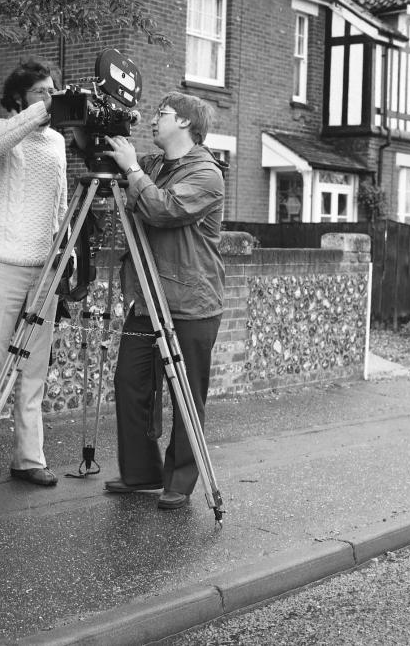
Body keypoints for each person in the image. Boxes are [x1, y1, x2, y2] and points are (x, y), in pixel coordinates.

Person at [102, 91, 228, 510]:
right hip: (147, 297)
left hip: (191, 303)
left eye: (163, 114)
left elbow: (164, 209)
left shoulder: (207, 174)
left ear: (187, 124)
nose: (154, 120)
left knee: (186, 394)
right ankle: (141, 473)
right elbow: (128, 189)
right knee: (130, 381)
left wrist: (133, 169)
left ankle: (180, 479)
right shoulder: (156, 165)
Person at [0, 57, 67, 493]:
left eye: (52, 91)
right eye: (40, 90)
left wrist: (65, 253)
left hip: (44, 269)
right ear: (20, 98)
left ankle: (29, 459)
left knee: (34, 371)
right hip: (2, 263)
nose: (49, 97)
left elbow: (60, 203)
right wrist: (38, 112)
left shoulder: (59, 142)